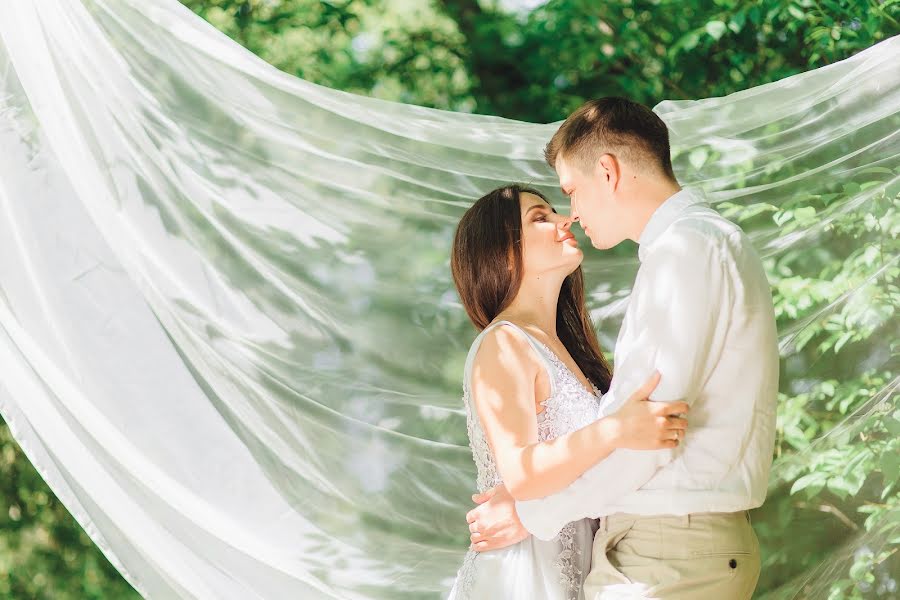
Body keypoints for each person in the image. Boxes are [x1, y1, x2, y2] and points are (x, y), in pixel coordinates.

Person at [465, 97, 779, 599]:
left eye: (569, 193)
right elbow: (631, 432)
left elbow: (648, 437)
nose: (570, 215)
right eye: (544, 215)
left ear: (607, 173)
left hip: (668, 549)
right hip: (654, 548)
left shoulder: (686, 251)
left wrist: (531, 514)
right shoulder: (687, 249)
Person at [446, 183, 690, 600]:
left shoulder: (566, 348)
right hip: (524, 576)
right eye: (540, 217)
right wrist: (615, 429)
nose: (566, 219)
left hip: (582, 565)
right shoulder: (503, 343)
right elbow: (521, 474)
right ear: (502, 251)